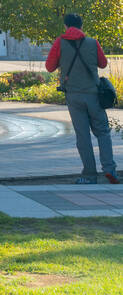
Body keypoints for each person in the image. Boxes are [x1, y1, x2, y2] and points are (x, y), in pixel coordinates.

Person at [46, 13, 119, 184]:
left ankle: (89, 175)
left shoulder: (59, 43)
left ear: (65, 26)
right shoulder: (93, 43)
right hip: (94, 94)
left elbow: (49, 67)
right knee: (102, 132)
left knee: (83, 136)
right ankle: (110, 170)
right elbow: (103, 64)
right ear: (81, 26)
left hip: (73, 96)